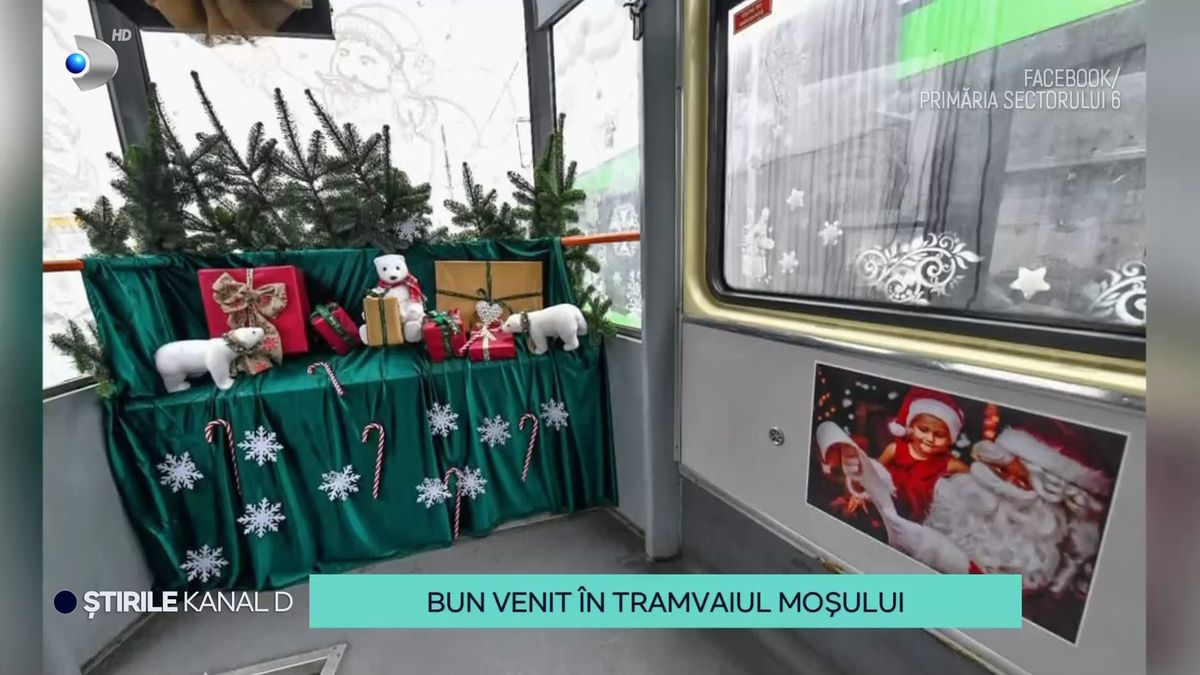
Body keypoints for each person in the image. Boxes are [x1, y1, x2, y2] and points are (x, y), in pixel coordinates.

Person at [866, 388, 970, 522]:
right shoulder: (894, 450)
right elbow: (872, 475)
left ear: (950, 439)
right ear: (912, 428)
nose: (930, 439)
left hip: (919, 526)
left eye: (939, 435)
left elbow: (977, 481)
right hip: (884, 517)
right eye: (923, 430)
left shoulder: (949, 464)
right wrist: (862, 495)